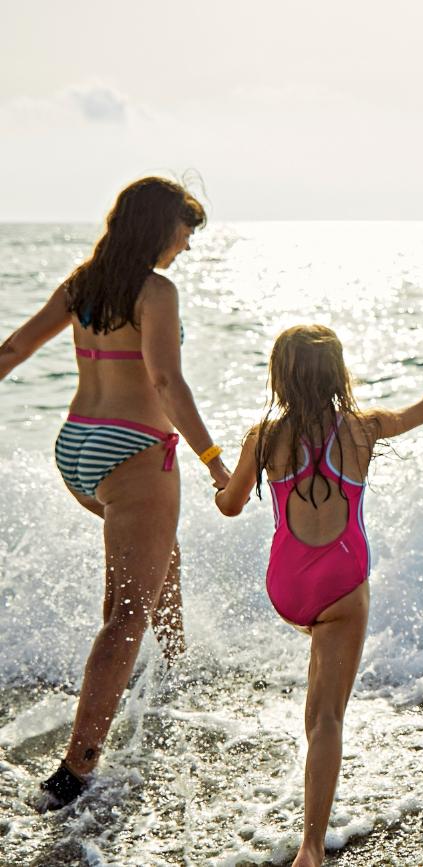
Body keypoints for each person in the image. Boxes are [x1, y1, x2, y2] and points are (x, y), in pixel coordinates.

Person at [214, 324, 423, 867]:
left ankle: (309, 827)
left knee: (315, 692)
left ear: (280, 377)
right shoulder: (362, 429)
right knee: (327, 719)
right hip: (341, 584)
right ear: (338, 375)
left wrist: (222, 476)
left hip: (288, 586)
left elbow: (229, 505)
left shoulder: (262, 437)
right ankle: (311, 847)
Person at [0, 177, 230, 812]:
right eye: (185, 230)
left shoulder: (83, 283)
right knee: (125, 613)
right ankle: (76, 768)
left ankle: (178, 668)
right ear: (160, 227)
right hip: (133, 455)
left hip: (77, 449)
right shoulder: (155, 292)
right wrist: (216, 463)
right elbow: (165, 381)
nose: (187, 244)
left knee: (157, 558)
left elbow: (14, 349)